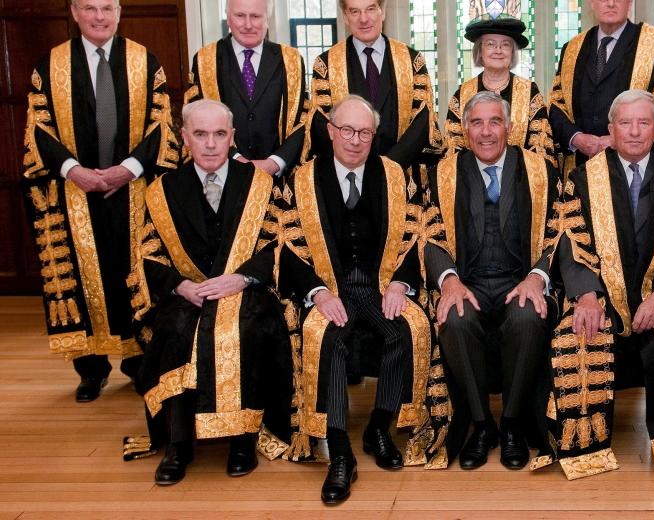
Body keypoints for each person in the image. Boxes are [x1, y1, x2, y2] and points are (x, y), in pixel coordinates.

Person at [534, 90, 654, 485]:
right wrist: (586, 294)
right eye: (625, 122)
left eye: (644, 123)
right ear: (610, 129)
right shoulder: (582, 179)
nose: (635, 131)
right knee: (577, 334)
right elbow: (569, 240)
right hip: (600, 291)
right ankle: (587, 447)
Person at [278, 95, 448, 504]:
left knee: (407, 328)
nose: (355, 141)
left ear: (375, 135)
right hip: (329, 288)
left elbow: (418, 234)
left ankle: (378, 426)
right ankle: (339, 453)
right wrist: (317, 292)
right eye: (347, 131)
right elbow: (284, 244)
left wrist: (400, 285)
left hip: (379, 285)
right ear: (330, 131)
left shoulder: (395, 175)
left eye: (365, 133)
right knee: (329, 338)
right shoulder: (300, 180)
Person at [22, 0, 179, 402]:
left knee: (133, 270)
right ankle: (90, 369)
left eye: (107, 8)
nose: (99, 16)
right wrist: (75, 170)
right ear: (74, 13)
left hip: (133, 188)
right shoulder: (49, 66)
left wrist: (127, 169)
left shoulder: (144, 62)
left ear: (119, 12)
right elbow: (38, 128)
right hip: (74, 192)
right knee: (81, 272)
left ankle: (137, 361)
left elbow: (162, 125)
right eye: (89, 8)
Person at [128, 99, 292, 486]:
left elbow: (281, 242)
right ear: (185, 138)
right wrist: (180, 286)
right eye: (200, 134)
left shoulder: (260, 184)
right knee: (176, 331)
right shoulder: (161, 191)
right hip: (188, 292)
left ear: (232, 137)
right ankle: (178, 444)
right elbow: (147, 252)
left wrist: (243, 278)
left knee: (245, 329)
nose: (211, 144)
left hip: (246, 289)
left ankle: (241, 439)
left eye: (220, 134)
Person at [423, 91, 583, 471]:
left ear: (510, 127)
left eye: (495, 122)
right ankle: (482, 426)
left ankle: (511, 423)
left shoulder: (540, 170)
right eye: (476, 123)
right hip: (468, 280)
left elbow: (560, 228)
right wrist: (448, 280)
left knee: (529, 317)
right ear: (464, 130)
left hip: (519, 278)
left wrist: (537, 276)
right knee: (455, 320)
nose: (486, 132)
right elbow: (428, 231)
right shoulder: (444, 173)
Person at [549, 0, 654, 169]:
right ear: (592, 2)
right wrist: (576, 138)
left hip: (631, 161)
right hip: (581, 164)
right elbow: (556, 105)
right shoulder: (572, 48)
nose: (611, 3)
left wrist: (615, 138)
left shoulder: (653, 43)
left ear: (630, 2)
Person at [309, 0, 441, 170]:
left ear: (383, 12)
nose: (364, 19)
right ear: (346, 17)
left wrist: (388, 167)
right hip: (348, 176)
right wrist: (356, 166)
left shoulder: (412, 61)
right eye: (355, 11)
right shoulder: (326, 64)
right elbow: (322, 124)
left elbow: (421, 122)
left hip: (402, 173)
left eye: (371, 9)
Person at [184, 0, 311, 176]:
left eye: (256, 16)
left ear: (267, 19)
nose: (248, 24)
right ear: (228, 18)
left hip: (280, 177)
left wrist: (275, 162)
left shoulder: (291, 60)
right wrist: (236, 159)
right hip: (224, 173)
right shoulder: (205, 60)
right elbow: (196, 121)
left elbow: (304, 119)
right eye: (240, 16)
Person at [443, 15, 554, 162]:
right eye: (490, 44)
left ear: (512, 53)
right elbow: (453, 151)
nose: (498, 50)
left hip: (520, 179)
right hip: (472, 180)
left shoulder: (529, 92)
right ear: (480, 52)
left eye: (506, 45)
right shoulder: (462, 93)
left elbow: (539, 148)